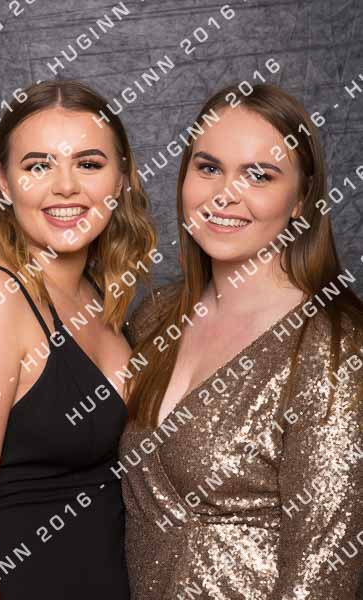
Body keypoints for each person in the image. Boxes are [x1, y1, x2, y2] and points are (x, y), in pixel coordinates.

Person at [120, 83, 363, 599]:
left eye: (259, 175)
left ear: (301, 200)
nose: (224, 194)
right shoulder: (155, 317)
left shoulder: (333, 348)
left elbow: (324, 575)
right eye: (209, 168)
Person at [0, 79, 157, 598]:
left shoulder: (102, 297)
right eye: (38, 166)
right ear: (4, 183)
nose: (65, 187)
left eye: (88, 164)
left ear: (121, 178)